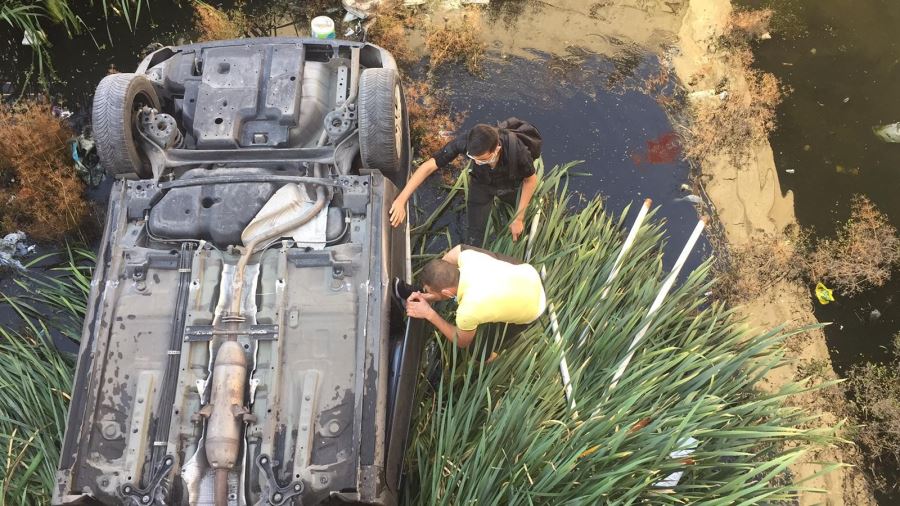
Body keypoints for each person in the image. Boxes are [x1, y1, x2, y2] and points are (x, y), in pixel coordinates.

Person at [389, 118, 542, 246]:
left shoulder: (517, 151)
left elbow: (530, 180)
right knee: (474, 234)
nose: (478, 162)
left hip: (509, 184)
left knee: (519, 218)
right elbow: (429, 166)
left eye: (483, 159)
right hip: (481, 183)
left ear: (496, 149)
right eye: (474, 159)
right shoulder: (466, 142)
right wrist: (402, 199)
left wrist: (519, 218)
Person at [398, 244, 546, 356]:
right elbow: (448, 260)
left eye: (428, 291)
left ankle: (493, 357)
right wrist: (435, 293)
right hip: (529, 273)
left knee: (479, 351)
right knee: (466, 250)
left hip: (534, 307)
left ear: (446, 292)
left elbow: (461, 341)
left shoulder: (467, 312)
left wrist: (429, 314)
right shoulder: (466, 256)